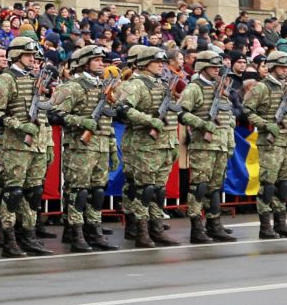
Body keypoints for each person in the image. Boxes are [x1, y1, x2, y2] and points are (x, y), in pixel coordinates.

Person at [0, 35, 53, 257]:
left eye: (34, 55)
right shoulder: (6, 80)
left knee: (33, 192)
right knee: (12, 192)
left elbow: (42, 114)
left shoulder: (35, 79)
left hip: (38, 145)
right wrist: (19, 126)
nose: (33, 59)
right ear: (16, 55)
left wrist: (48, 141)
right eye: (28, 55)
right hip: (15, 145)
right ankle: (7, 236)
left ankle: (28, 234)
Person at [49, 44, 119, 252]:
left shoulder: (102, 87)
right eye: (96, 60)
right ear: (83, 63)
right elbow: (54, 114)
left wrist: (113, 148)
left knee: (98, 191)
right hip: (80, 147)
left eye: (101, 60)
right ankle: (75, 231)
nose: (101, 63)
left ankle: (93, 228)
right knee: (77, 191)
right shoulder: (73, 86)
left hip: (101, 146)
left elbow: (107, 120)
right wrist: (81, 122)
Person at [115, 45, 181, 248]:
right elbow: (123, 110)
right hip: (143, 145)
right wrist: (149, 121)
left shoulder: (161, 84)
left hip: (164, 144)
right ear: (144, 64)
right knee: (144, 189)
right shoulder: (135, 85)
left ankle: (156, 228)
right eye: (156, 62)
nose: (161, 65)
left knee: (158, 190)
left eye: (162, 61)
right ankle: (141, 231)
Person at [176, 49, 239, 244]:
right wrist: (203, 125)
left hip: (221, 144)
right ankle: (196, 227)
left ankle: (214, 224)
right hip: (203, 145)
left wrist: (229, 140)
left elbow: (228, 116)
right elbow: (182, 113)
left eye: (218, 67)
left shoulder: (220, 88)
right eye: (213, 66)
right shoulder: (194, 88)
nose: (216, 70)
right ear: (202, 66)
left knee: (214, 187)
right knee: (199, 186)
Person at [241, 50, 287, 239]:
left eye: (286, 67)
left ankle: (281, 223)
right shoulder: (261, 87)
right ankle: (265, 226)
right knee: (268, 185)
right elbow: (247, 110)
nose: (285, 70)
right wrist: (266, 125)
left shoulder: (286, 88)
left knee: (284, 185)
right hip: (270, 143)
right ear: (272, 67)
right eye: (282, 67)